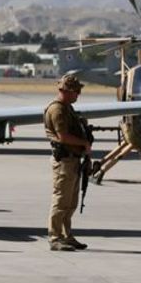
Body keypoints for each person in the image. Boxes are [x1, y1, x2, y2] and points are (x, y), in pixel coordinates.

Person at [43, 74, 92, 252]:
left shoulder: (67, 108)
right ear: (66, 90)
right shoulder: (57, 110)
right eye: (76, 91)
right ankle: (55, 237)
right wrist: (84, 144)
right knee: (61, 200)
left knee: (70, 202)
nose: (78, 95)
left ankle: (66, 235)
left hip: (73, 160)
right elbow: (63, 137)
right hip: (64, 161)